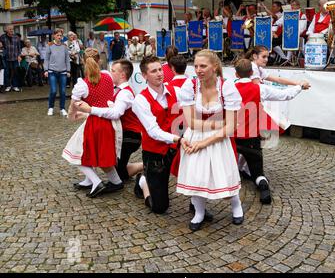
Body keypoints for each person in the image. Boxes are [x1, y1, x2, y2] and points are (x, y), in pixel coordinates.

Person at [176, 50, 243, 232]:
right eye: (196, 66)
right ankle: (199, 212)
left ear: (215, 67)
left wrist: (205, 141)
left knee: (225, 174)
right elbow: (191, 123)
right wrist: (219, 123)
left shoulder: (227, 87)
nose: (198, 70)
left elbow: (230, 129)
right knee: (196, 177)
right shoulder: (189, 86)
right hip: (195, 136)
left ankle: (236, 205)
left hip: (218, 139)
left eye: (203, 66)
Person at [234, 59, 310, 204]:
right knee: (257, 171)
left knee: (227, 167)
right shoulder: (259, 88)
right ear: (251, 73)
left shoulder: (228, 88)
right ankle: (262, 185)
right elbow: (285, 95)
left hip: (232, 136)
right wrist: (300, 86)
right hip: (252, 137)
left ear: (236, 74)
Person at [74, 59, 144, 185]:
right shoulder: (114, 89)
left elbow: (115, 113)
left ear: (122, 75)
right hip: (121, 133)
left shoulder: (125, 93)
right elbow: (106, 111)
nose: (109, 73)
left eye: (113, 71)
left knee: (118, 173)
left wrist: (90, 109)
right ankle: (91, 179)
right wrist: (86, 114)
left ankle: (145, 165)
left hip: (129, 136)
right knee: (110, 163)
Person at [131, 56, 187, 213]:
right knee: (160, 208)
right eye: (153, 71)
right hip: (155, 153)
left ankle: (198, 205)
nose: (159, 74)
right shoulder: (140, 100)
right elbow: (153, 131)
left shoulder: (175, 91)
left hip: (176, 147)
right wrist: (177, 138)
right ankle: (142, 181)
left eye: (160, 69)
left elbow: (192, 108)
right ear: (144, 76)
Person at [66, 48, 122, 198]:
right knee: (101, 153)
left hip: (95, 123)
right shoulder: (108, 76)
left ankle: (96, 182)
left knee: (76, 152)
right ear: (99, 61)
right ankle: (112, 181)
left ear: (84, 62)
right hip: (110, 121)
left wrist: (71, 116)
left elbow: (74, 104)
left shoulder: (82, 85)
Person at [44, 29, 71, 116]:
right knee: (53, 91)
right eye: (58, 35)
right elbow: (46, 59)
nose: (59, 37)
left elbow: (67, 59)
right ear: (54, 36)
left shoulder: (64, 46)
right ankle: (50, 107)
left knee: (63, 91)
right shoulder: (49, 45)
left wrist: (68, 70)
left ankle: (62, 108)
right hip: (52, 71)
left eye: (60, 36)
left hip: (63, 72)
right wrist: (46, 70)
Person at [0, 25, 22, 92]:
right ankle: (8, 86)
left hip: (15, 57)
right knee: (6, 72)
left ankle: (15, 86)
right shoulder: (2, 37)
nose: (11, 30)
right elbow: (0, 45)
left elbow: (19, 48)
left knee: (15, 72)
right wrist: (3, 50)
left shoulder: (16, 37)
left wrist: (19, 55)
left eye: (12, 29)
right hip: (6, 57)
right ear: (6, 30)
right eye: (10, 29)